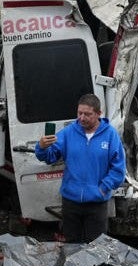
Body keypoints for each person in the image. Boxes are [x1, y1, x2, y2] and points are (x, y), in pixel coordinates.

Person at [33, 94, 126, 244]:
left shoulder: (110, 135)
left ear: (98, 114)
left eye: (87, 114)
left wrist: (103, 188)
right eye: (79, 113)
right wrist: (42, 147)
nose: (82, 118)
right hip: (71, 201)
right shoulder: (68, 132)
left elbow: (118, 169)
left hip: (97, 203)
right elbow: (50, 157)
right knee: (71, 243)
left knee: (96, 245)